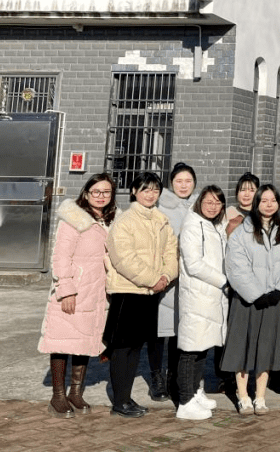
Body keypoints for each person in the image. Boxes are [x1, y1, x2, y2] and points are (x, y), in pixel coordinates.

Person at [38, 173, 116, 417]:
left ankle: (76, 392)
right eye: (96, 191)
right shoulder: (74, 219)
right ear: (86, 193)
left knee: (84, 341)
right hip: (74, 290)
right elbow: (61, 256)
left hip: (97, 293)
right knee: (62, 341)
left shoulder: (111, 220)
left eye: (106, 192)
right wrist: (66, 289)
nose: (101, 196)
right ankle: (58, 397)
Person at [103, 171, 178, 418]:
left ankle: (126, 399)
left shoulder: (161, 220)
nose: (150, 194)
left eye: (155, 190)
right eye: (145, 189)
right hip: (129, 291)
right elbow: (124, 259)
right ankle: (120, 401)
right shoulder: (124, 221)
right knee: (122, 348)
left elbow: (172, 252)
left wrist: (166, 277)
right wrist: (152, 279)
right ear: (134, 191)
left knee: (136, 347)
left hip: (151, 292)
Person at [221, 184, 280, 416]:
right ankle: (243, 395)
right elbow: (236, 266)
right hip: (247, 301)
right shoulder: (243, 231)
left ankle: (260, 396)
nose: (269, 204)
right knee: (241, 347)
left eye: (273, 200)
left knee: (267, 349)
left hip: (273, 300)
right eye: (264, 200)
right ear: (256, 203)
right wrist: (255, 294)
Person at [175, 185, 229, 420]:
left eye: (218, 203)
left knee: (201, 347)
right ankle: (185, 401)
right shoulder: (192, 225)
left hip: (210, 296)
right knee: (190, 349)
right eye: (209, 202)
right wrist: (223, 281)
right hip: (198, 295)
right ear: (199, 202)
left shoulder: (213, 225)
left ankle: (196, 391)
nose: (213, 206)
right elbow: (194, 264)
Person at [149, 162, 198, 402]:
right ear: (171, 183)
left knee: (180, 330)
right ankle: (156, 378)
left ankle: (173, 377)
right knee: (159, 331)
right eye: (179, 181)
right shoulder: (160, 207)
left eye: (188, 181)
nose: (183, 185)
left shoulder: (199, 206)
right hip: (165, 276)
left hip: (189, 278)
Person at [226, 173, 259, 237]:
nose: (247, 194)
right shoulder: (228, 213)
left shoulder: (262, 215)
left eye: (251, 190)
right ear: (237, 192)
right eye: (243, 190)